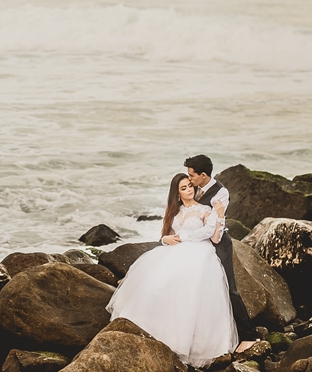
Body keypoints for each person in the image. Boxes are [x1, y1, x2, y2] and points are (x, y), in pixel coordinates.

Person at [105, 173, 238, 367]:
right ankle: (152, 332)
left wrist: (219, 214)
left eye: (190, 186)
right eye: (183, 188)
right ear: (177, 194)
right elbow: (167, 235)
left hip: (199, 252)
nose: (189, 190)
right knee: (157, 285)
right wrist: (164, 239)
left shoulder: (205, 210)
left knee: (189, 292)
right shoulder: (174, 211)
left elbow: (214, 237)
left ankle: (184, 342)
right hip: (174, 251)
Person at [184, 154, 258, 352]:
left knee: (228, 288)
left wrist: (186, 237)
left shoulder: (220, 193)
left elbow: (213, 227)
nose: (189, 178)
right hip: (197, 245)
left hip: (218, 244)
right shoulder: (191, 188)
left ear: (203, 175)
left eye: (191, 175)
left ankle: (249, 336)